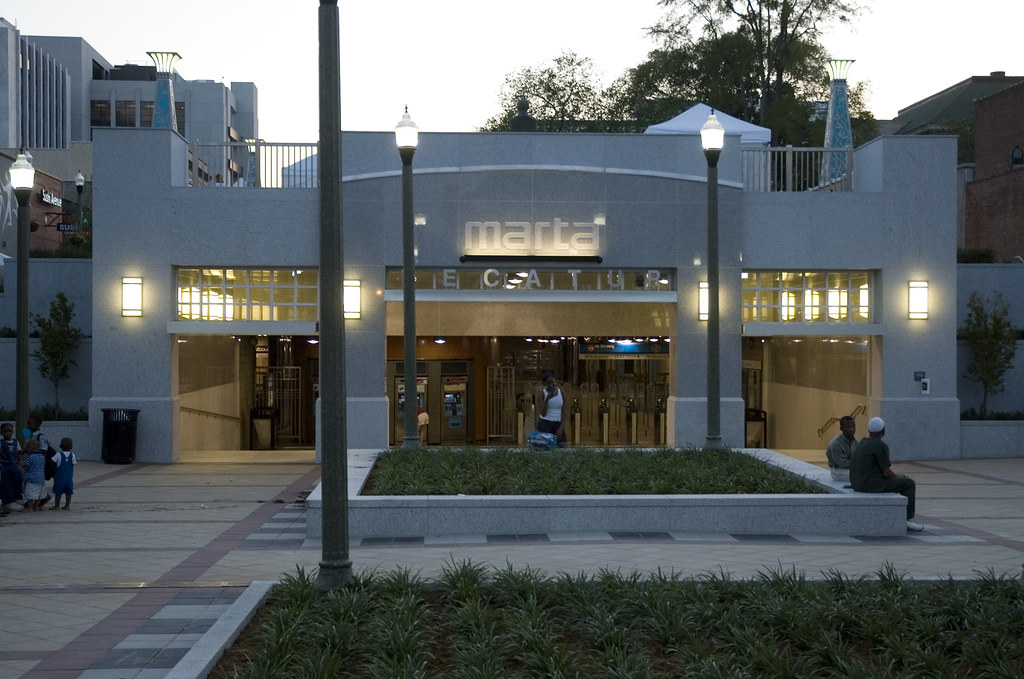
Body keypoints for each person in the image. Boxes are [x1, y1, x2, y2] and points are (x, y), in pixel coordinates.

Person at [850, 417, 923, 531]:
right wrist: (898, 477)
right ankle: (906, 519)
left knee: (900, 481)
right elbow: (887, 473)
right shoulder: (880, 445)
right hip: (870, 484)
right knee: (908, 483)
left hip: (856, 484)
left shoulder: (861, 442)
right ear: (883, 431)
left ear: (869, 430)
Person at [535, 372, 570, 448]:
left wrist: (561, 428)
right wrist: (547, 399)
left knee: (563, 446)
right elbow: (543, 413)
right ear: (544, 384)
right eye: (548, 383)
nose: (551, 385)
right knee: (546, 447)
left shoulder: (562, 393)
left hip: (557, 423)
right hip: (545, 423)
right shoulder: (541, 394)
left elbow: (564, 411)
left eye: (552, 382)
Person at [26, 414, 52, 508]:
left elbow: (44, 450)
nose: (28, 426)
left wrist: (35, 457)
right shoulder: (30, 434)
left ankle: (41, 497)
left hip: (37, 464)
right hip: (32, 463)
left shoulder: (40, 436)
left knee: (35, 482)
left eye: (30, 424)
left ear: (37, 425)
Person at [0, 422, 24, 513]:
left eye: (10, 431)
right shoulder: (1, 443)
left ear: (13, 431)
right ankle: (9, 500)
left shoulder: (15, 442)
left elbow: (18, 453)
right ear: (1, 432)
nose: (8, 433)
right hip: (5, 464)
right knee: (8, 480)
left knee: (18, 479)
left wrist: (20, 461)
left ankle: (18, 497)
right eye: (5, 431)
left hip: (14, 464)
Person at [825, 415, 857, 483]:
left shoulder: (855, 442)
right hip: (839, 472)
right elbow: (841, 464)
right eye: (848, 427)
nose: (852, 429)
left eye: (853, 426)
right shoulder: (835, 444)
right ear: (841, 428)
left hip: (851, 469)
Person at [50, 437, 77, 510]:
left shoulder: (58, 455)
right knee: (68, 492)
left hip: (59, 478)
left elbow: (51, 462)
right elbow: (73, 464)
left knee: (58, 492)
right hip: (69, 478)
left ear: (61, 446)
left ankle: (57, 505)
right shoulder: (72, 455)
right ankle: (67, 505)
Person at [21, 439, 46, 511]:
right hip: (41, 479)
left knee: (30, 495)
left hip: (32, 479)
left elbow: (26, 467)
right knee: (39, 495)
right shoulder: (42, 456)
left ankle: (30, 507)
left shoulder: (29, 457)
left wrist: (21, 465)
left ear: (30, 448)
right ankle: (36, 507)